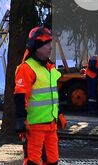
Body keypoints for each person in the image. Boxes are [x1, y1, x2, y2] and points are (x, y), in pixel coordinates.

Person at [14, 26, 65, 165]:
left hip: (50, 125)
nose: (50, 47)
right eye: (47, 44)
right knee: (33, 161)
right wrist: (21, 120)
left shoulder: (49, 68)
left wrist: (58, 114)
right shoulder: (27, 68)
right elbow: (20, 95)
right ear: (37, 47)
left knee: (52, 160)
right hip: (34, 127)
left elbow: (52, 97)